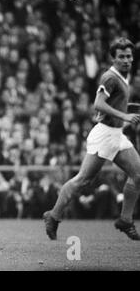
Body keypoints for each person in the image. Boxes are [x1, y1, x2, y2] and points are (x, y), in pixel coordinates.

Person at [43, 38, 140, 240]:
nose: (126, 60)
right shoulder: (110, 77)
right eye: (121, 56)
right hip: (104, 134)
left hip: (116, 135)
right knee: (82, 180)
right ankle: (53, 215)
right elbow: (98, 104)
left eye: (129, 56)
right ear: (112, 58)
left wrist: (131, 110)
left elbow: (118, 104)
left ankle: (125, 219)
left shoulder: (123, 77)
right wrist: (125, 116)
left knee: (138, 174)